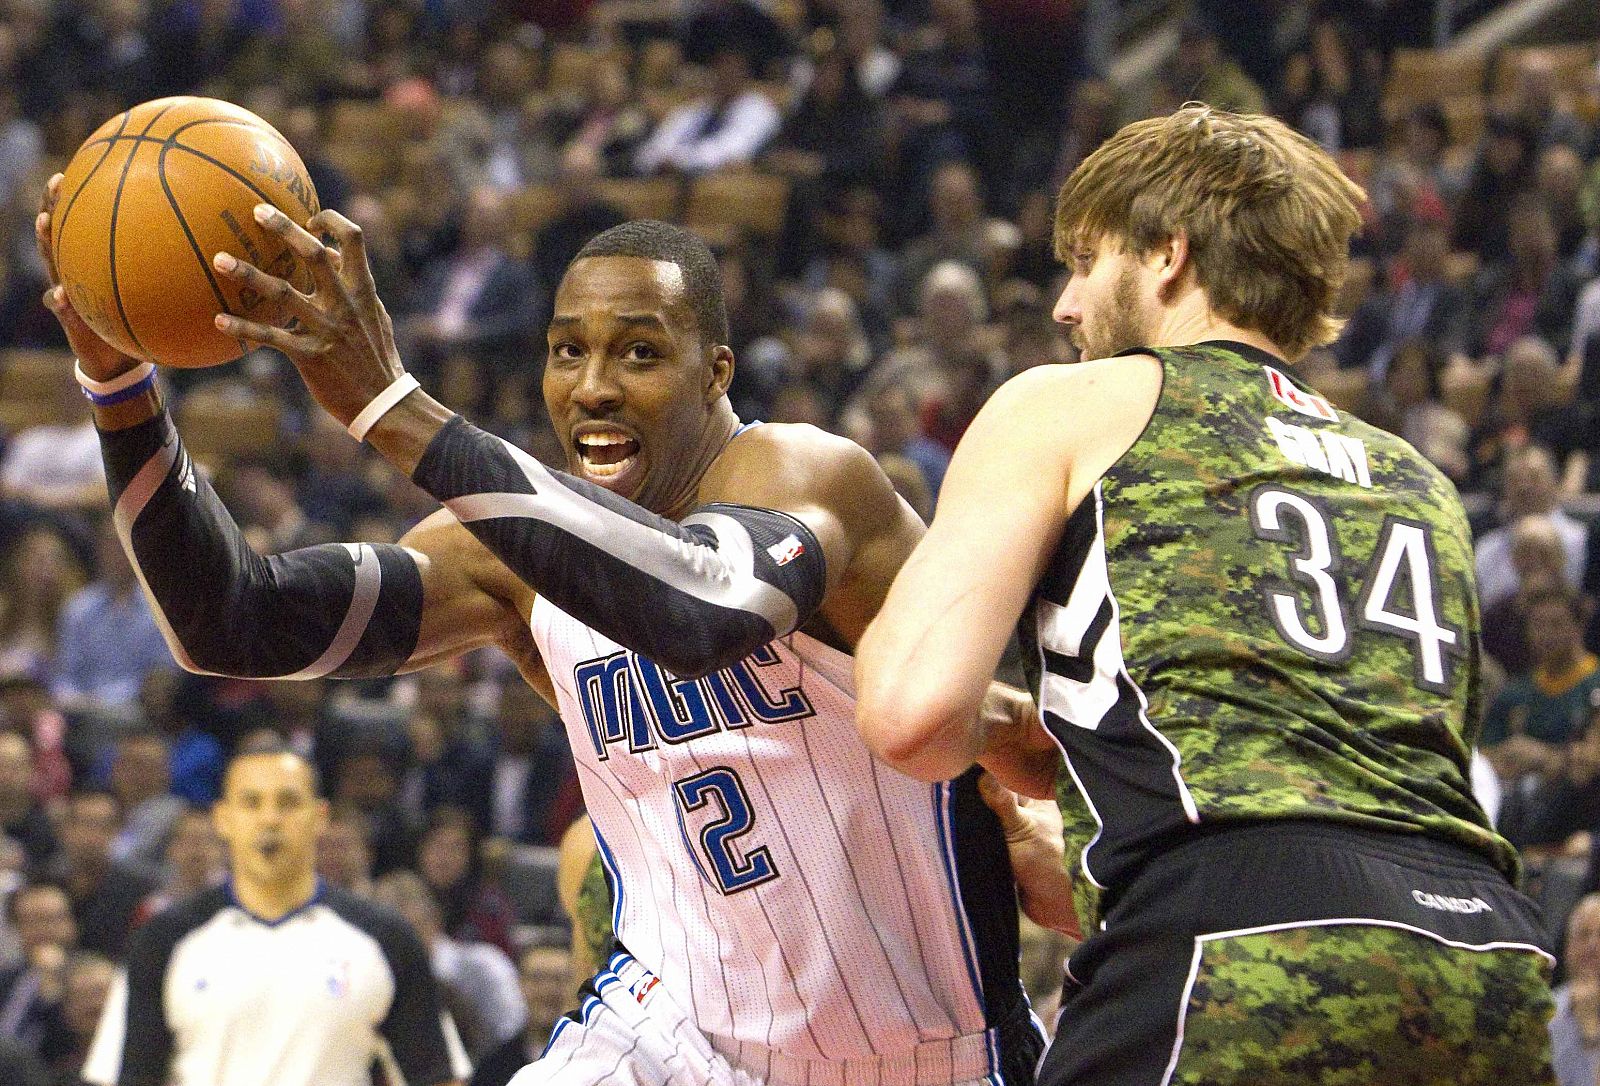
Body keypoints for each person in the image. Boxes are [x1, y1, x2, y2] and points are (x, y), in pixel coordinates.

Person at [38, 167, 1059, 1083]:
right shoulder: (509, 550)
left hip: (927, 1047)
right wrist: (118, 386)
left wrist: (390, 403)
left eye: (640, 353)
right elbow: (233, 622)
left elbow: (699, 610)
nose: (594, 386)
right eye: (566, 351)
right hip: (671, 1038)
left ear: (718, 371)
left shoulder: (807, 473)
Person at [856, 104, 1557, 1084]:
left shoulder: (1069, 405)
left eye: (1084, 260)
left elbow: (908, 716)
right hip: (1482, 956)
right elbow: (1343, 789)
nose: (1063, 303)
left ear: (1167, 254)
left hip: (1233, 938)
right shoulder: (1416, 480)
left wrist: (906, 640)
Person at [80, 744, 463, 1086]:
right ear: (223, 819)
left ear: (320, 816)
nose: (270, 819)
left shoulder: (385, 937)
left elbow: (436, 1077)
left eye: (288, 803)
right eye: (251, 803)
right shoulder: (162, 938)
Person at [1552, 893, 1600, 1085]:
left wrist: (1590, 1034)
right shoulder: (1545, 1012)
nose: (1592, 946)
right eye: (1583, 934)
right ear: (1567, 948)